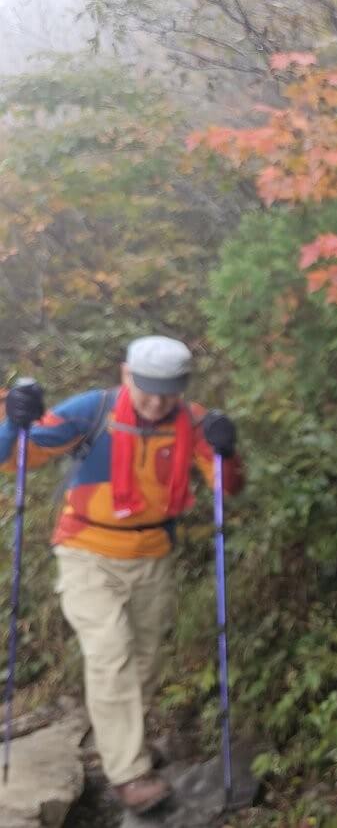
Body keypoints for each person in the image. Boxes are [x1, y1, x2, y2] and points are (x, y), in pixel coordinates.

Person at [0, 336, 243, 815]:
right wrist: (13, 419)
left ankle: (120, 742)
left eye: (168, 394)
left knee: (146, 661)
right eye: (148, 391)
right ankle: (129, 772)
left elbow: (226, 487)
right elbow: (13, 458)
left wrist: (227, 451)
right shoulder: (91, 411)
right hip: (86, 551)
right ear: (126, 374)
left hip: (153, 554)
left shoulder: (193, 422)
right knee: (110, 655)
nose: (156, 404)